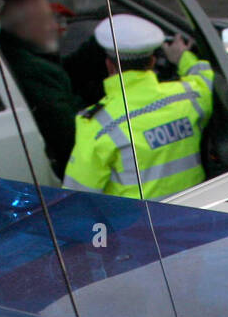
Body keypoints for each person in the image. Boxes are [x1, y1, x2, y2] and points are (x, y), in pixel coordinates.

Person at [62, 14, 214, 199]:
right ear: (152, 62)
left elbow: (77, 197)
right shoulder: (189, 96)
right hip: (200, 215)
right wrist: (183, 56)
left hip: (140, 226)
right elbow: (204, 75)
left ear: (109, 65)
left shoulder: (98, 125)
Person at [0, 0, 80, 179]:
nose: (54, 26)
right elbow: (70, 139)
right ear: (25, 28)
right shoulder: (34, 71)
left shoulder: (18, 55)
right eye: (46, 20)